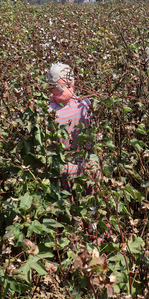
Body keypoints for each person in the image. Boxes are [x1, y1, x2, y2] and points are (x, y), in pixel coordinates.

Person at [47, 63, 109, 244]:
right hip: (88, 166)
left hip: (64, 170)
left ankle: (77, 242)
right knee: (93, 205)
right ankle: (98, 239)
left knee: (72, 209)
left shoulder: (48, 112)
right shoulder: (84, 105)